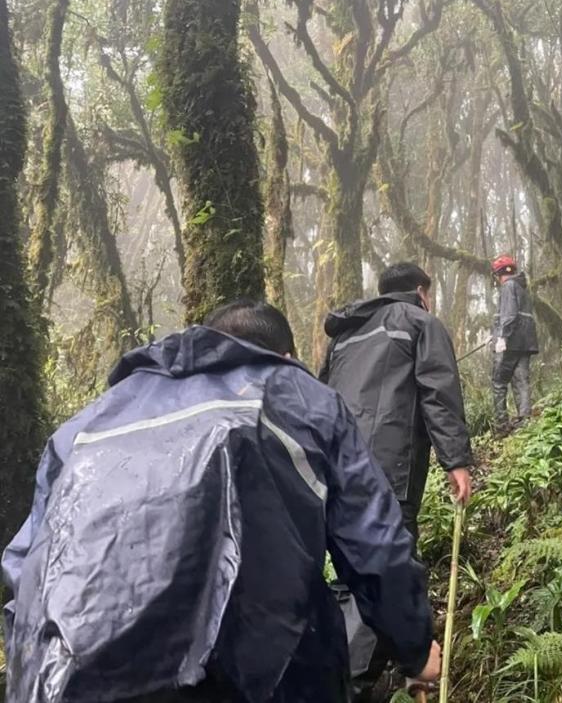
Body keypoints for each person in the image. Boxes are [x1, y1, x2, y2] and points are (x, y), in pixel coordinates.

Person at [1, 299, 440, 703]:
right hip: (251, 679)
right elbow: (375, 546)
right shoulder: (299, 399)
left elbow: (24, 570)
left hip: (63, 680)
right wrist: (415, 649)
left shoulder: (83, 427)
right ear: (285, 357)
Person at [319, 262, 473, 701]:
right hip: (390, 469)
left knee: (350, 573)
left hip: (335, 469)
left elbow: (318, 398)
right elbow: (437, 393)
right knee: (384, 566)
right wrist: (456, 461)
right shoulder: (420, 322)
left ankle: (351, 672)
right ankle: (350, 684)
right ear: (421, 291)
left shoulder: (345, 335)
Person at [490, 255, 539, 432]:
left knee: (499, 382)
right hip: (525, 344)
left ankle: (501, 424)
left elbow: (509, 315)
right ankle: (524, 422)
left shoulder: (508, 286)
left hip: (510, 343)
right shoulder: (522, 288)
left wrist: (502, 337)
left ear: (498, 274)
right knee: (521, 382)